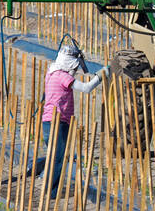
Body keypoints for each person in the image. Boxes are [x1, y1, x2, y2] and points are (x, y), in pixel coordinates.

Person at [30, 43, 108, 198]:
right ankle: (51, 191)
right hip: (56, 122)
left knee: (56, 156)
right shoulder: (62, 76)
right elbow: (86, 88)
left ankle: (50, 187)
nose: (75, 70)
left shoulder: (51, 73)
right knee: (58, 158)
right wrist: (101, 75)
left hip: (53, 121)